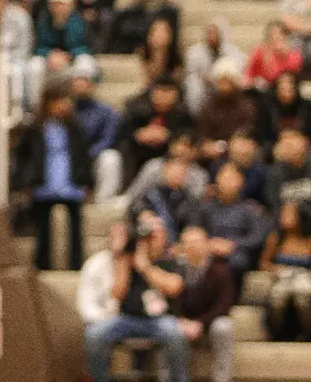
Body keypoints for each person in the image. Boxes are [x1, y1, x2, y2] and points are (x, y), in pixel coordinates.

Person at [83, 213, 190, 382]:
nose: (151, 239)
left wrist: (145, 267)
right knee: (94, 334)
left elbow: (174, 287)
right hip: (127, 318)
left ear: (164, 236)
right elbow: (116, 294)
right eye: (148, 235)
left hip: (159, 320)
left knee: (175, 334)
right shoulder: (128, 258)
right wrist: (122, 257)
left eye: (155, 235)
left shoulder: (171, 259)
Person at [12, 84, 94, 271]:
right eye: (58, 101)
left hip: (70, 183)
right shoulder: (35, 128)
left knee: (75, 230)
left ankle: (76, 264)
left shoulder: (75, 128)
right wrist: (25, 183)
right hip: (43, 185)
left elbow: (83, 157)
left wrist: (87, 182)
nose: (62, 105)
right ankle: (42, 265)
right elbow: (23, 157)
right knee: (43, 231)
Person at [172, 225, 236, 382]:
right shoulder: (175, 269)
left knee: (224, 327)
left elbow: (224, 304)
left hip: (210, 320)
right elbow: (170, 300)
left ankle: (222, 378)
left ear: (206, 244)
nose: (193, 246)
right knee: (169, 329)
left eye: (197, 242)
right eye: (188, 243)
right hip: (184, 320)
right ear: (182, 247)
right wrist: (181, 320)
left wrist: (200, 323)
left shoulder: (220, 270)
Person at [196, 162, 271, 282]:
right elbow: (195, 229)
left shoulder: (250, 209)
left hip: (236, 253)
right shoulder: (206, 207)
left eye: (232, 178)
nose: (228, 182)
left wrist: (233, 244)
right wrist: (208, 243)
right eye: (224, 177)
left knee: (235, 262)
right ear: (217, 179)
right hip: (209, 249)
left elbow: (259, 237)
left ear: (241, 182)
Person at [260, 202, 311, 340]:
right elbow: (263, 263)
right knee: (278, 298)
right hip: (282, 278)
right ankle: (275, 332)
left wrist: (310, 273)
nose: (283, 218)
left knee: (302, 297)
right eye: (282, 214)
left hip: (305, 278)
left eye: (288, 214)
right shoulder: (275, 239)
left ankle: (307, 332)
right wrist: (277, 269)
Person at [119, 77, 196, 182]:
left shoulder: (184, 115)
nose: (163, 96)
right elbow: (121, 134)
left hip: (166, 158)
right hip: (136, 154)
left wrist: (169, 136)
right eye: (160, 90)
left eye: (168, 91)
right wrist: (138, 134)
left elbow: (188, 135)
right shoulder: (135, 110)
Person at [265, 127, 311, 231]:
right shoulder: (275, 171)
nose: (288, 143)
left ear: (305, 141)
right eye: (283, 139)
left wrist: (299, 211)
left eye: (293, 138)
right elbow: (274, 205)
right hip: (285, 226)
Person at [185, 20, 246, 115]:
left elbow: (238, 70)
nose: (212, 37)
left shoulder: (232, 51)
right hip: (204, 87)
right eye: (209, 33)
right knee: (193, 85)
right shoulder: (194, 52)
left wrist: (224, 79)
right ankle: (196, 115)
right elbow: (192, 73)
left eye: (215, 33)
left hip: (226, 83)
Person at [246, 21, 303, 88]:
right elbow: (248, 76)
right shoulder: (259, 52)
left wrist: (284, 56)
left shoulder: (294, 55)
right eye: (272, 35)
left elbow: (293, 77)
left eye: (280, 34)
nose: (276, 37)